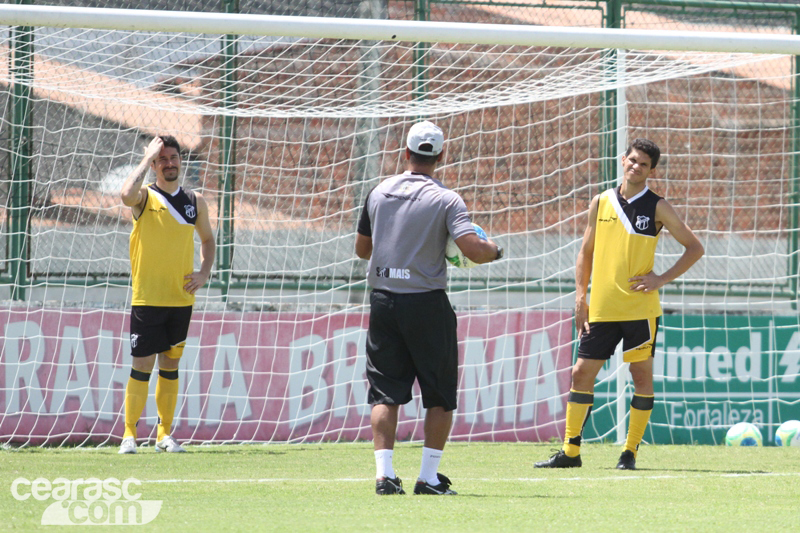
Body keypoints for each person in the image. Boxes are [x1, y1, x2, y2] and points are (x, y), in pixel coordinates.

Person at [535, 138, 704, 470]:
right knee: (581, 373)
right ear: (622, 160)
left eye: (643, 164)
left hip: (640, 310)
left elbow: (694, 247)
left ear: (652, 170)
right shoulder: (600, 202)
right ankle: (571, 452)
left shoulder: (658, 206)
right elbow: (585, 251)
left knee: (641, 377)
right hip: (601, 307)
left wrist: (660, 279)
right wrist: (580, 296)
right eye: (632, 160)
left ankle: (630, 452)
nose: (636, 166)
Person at [355, 121, 503, 495]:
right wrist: (496, 250)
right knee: (439, 394)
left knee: (385, 392)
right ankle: (429, 478)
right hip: (426, 304)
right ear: (441, 156)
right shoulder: (447, 199)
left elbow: (361, 249)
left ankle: (384, 476)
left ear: (404, 153)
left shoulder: (378, 192)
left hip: (384, 302)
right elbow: (471, 248)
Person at [118, 135, 215, 454]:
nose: (169, 163)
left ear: (180, 161)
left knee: (170, 366)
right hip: (147, 298)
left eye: (173, 157)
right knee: (142, 364)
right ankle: (129, 434)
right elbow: (125, 194)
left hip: (181, 299)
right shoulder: (145, 197)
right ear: (156, 165)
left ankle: (164, 435)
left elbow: (208, 240)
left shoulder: (194, 200)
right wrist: (146, 158)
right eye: (163, 159)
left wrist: (204, 272)